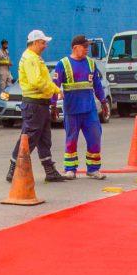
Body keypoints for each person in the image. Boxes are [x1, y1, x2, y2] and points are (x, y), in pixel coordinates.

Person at [7, 29, 69, 183]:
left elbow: (45, 80)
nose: (45, 46)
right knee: (29, 139)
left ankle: (49, 170)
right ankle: (14, 170)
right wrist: (52, 90)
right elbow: (36, 82)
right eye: (43, 42)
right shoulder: (31, 59)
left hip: (40, 104)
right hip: (34, 105)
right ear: (34, 43)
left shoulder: (35, 58)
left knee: (44, 139)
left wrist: (56, 91)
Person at [51, 35, 109, 179]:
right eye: (84, 47)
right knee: (71, 140)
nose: (87, 50)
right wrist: (53, 106)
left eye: (87, 47)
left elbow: (97, 85)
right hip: (72, 111)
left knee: (95, 137)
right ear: (75, 48)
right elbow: (54, 87)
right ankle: (70, 169)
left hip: (89, 110)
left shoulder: (90, 63)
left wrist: (103, 102)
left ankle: (93, 169)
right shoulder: (62, 64)